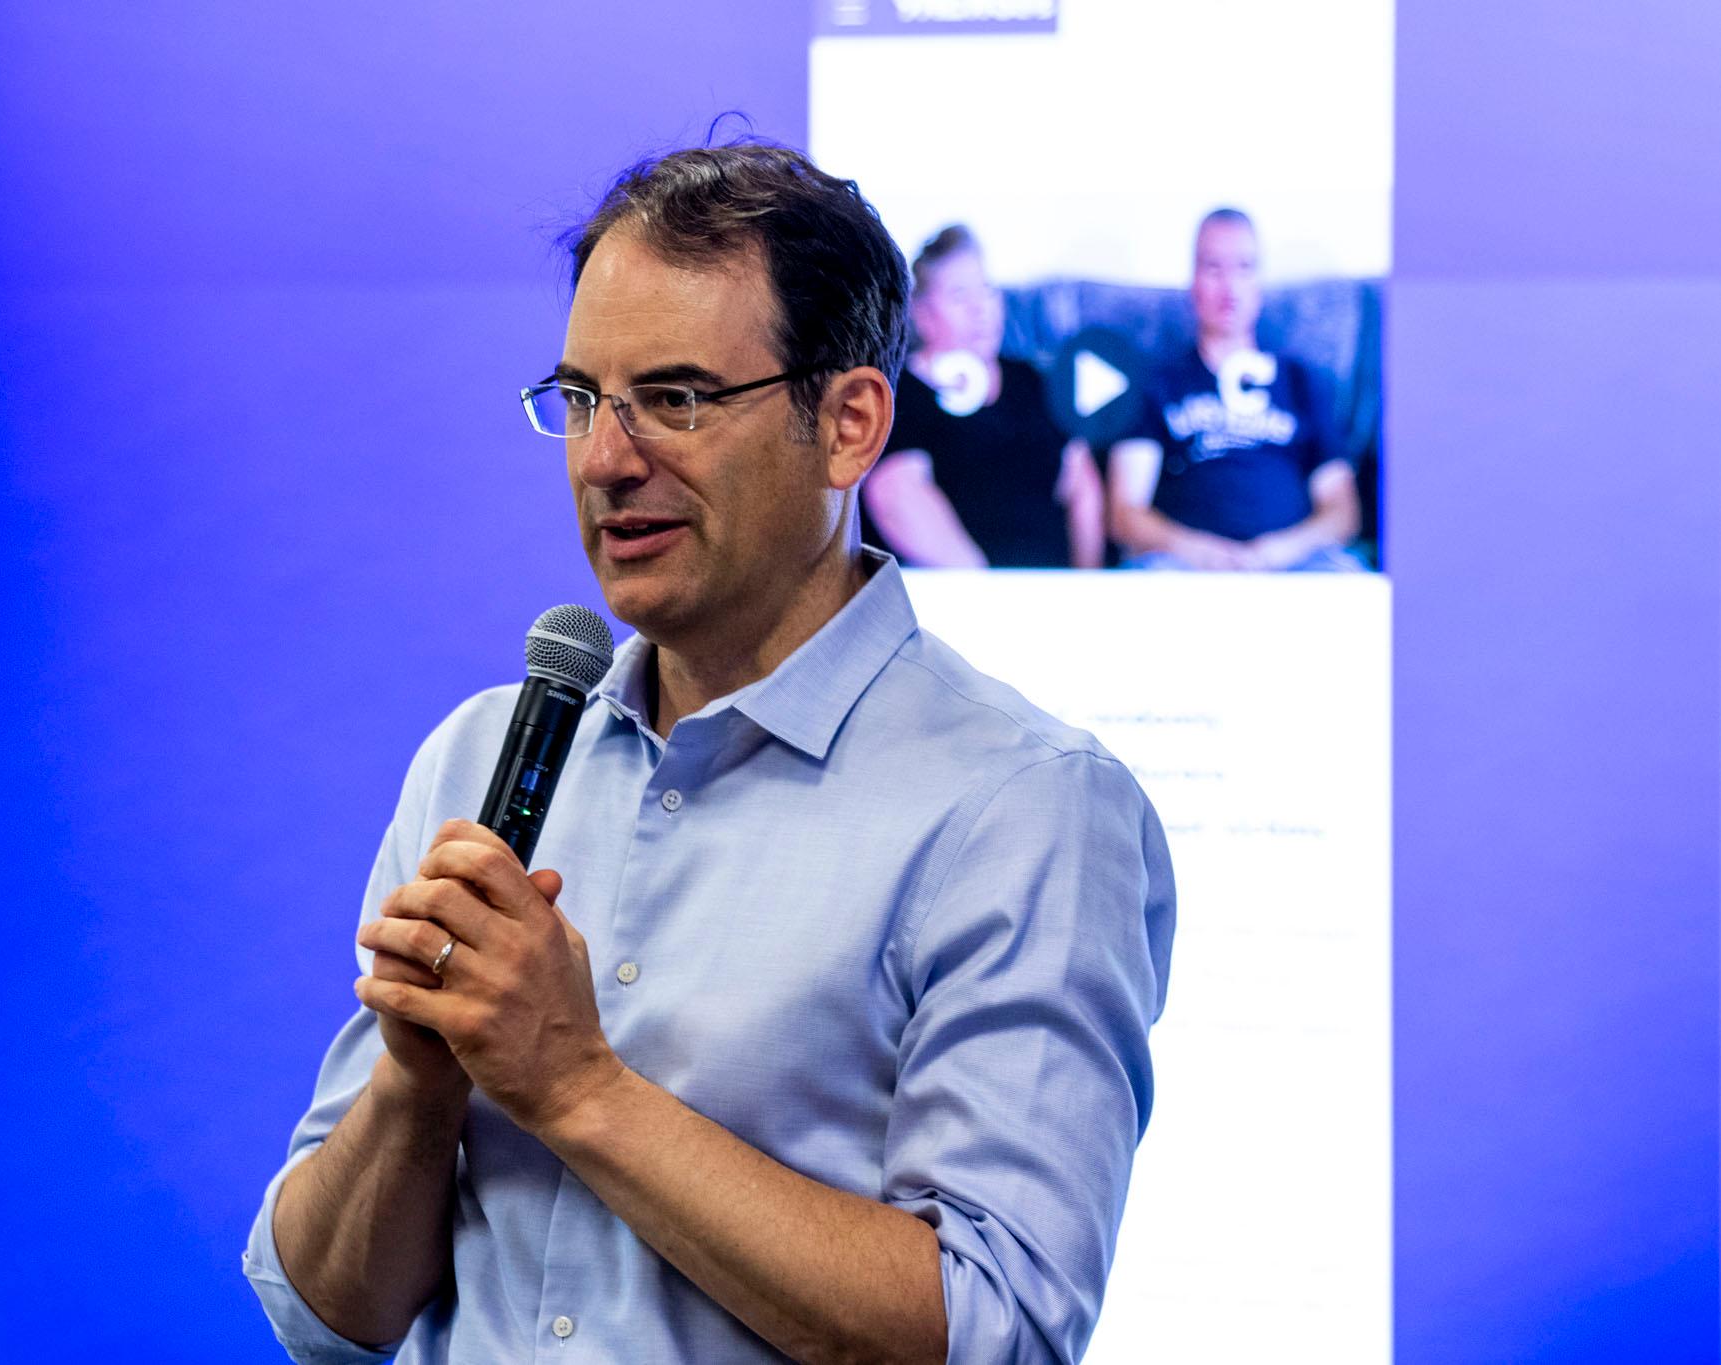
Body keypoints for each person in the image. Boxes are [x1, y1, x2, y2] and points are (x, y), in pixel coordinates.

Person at [244, 142, 1175, 1365]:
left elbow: (991, 1333)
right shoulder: (484, 757)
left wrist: (575, 1088)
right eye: (580, 399)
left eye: (676, 399)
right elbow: (321, 1316)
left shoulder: (1024, 809)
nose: (604, 460)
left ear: (847, 426)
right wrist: (418, 1090)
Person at [1107, 208, 1363, 571]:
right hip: (1181, 565)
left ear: (1259, 284)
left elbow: (1342, 512)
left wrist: (1280, 550)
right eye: (1214, 268)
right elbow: (1125, 514)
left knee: (1348, 586)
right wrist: (1197, 550)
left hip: (1294, 563)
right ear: (1193, 282)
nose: (1230, 287)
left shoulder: (1300, 381)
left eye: (1244, 268)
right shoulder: (1156, 383)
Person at [863, 226, 1106, 568]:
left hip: (1057, 589)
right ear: (923, 314)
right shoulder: (902, 392)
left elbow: (1082, 486)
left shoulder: (1032, 380)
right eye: (961, 296)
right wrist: (984, 590)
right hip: (966, 597)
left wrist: (1089, 585)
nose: (980, 309)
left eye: (986, 290)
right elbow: (895, 495)